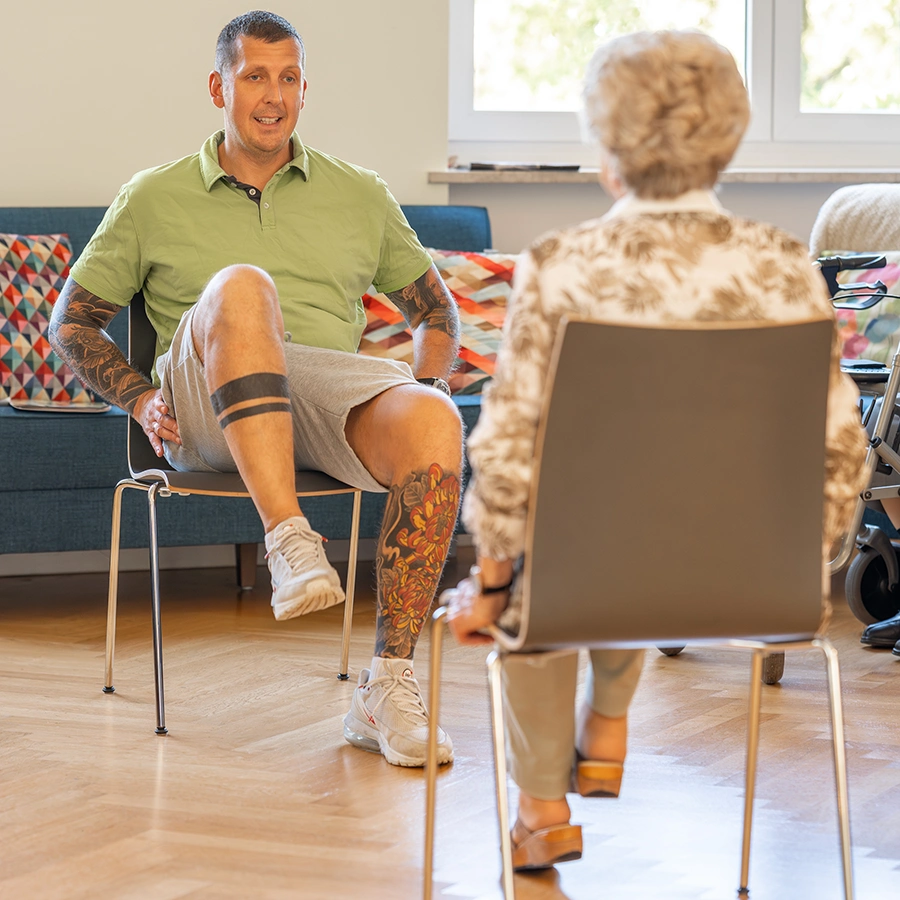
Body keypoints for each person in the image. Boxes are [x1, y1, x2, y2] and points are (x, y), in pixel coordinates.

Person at [446, 29, 868, 872]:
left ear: (608, 148)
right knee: (654, 513)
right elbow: (843, 451)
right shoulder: (787, 269)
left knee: (560, 548)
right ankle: (605, 722)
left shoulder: (560, 270)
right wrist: (805, 559)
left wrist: (491, 578)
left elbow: (511, 451)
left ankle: (541, 808)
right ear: (731, 137)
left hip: (592, 577)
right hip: (760, 583)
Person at [48, 10, 462, 769]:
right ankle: (288, 540)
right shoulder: (152, 195)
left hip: (320, 399)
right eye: (254, 77)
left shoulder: (360, 193)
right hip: (207, 406)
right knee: (243, 288)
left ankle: (386, 687)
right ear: (219, 87)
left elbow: (435, 310)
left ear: (306, 90)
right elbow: (70, 324)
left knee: (434, 420)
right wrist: (141, 399)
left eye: (288, 77)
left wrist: (426, 378)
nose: (272, 96)